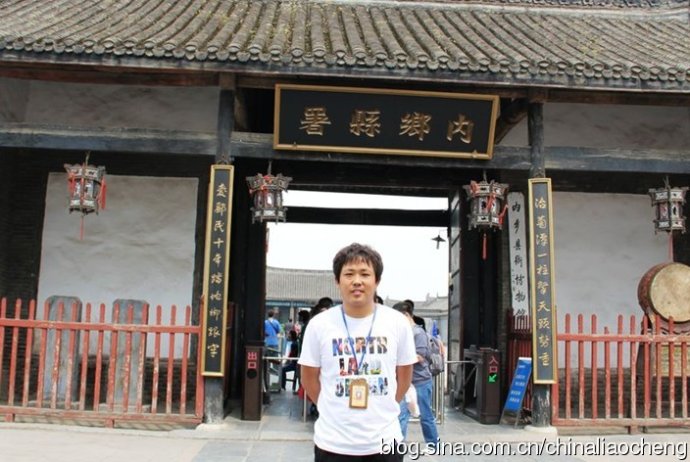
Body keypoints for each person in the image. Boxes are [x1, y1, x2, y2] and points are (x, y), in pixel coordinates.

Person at [299, 243, 417, 461]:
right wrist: (330, 407)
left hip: (385, 442)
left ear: (377, 280)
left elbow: (404, 376)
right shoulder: (319, 325)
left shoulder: (397, 323)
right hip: (333, 443)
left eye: (365, 274)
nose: (357, 281)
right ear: (337, 280)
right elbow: (308, 377)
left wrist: (385, 406)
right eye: (349, 274)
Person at [393, 301, 440, 449]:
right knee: (401, 415)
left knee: (426, 416)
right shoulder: (403, 333)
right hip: (405, 381)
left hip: (420, 381)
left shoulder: (418, 333)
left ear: (406, 315)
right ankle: (398, 447)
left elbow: (420, 356)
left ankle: (433, 445)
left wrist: (398, 359)